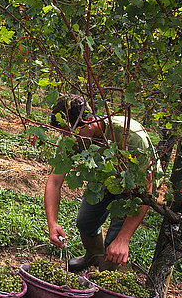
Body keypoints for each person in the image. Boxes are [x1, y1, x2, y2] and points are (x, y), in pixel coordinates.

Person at [44, 94, 161, 271]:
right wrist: (52, 223)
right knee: (85, 222)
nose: (69, 138)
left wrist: (123, 239)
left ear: (90, 120)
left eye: (73, 132)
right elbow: (54, 181)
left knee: (115, 245)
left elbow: (146, 189)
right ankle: (94, 257)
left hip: (135, 186)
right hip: (105, 178)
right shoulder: (71, 138)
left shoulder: (131, 136)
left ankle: (108, 272)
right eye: (64, 133)